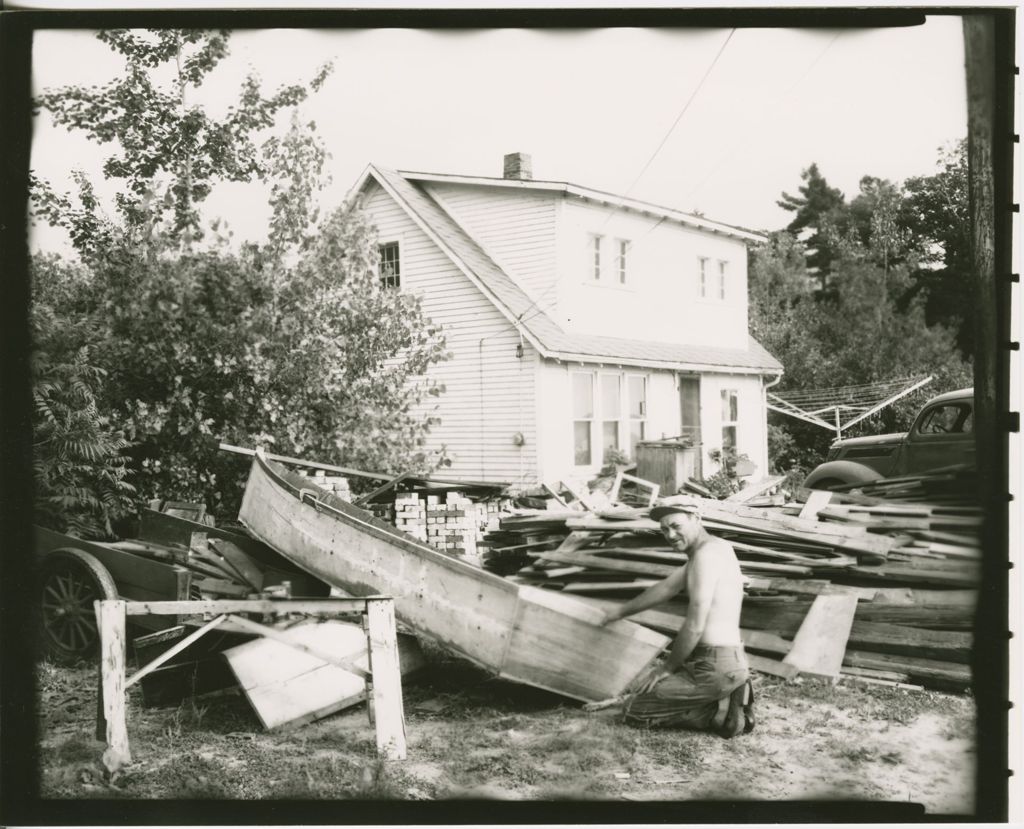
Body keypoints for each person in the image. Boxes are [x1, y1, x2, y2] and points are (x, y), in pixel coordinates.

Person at [600, 495, 754, 737]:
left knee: (633, 710)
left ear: (697, 519)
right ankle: (727, 690)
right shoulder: (713, 549)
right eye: (664, 530)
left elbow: (695, 625)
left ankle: (719, 711)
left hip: (715, 665)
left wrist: (667, 668)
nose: (670, 535)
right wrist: (618, 612)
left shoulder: (706, 557)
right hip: (721, 661)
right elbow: (665, 589)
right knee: (640, 691)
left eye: (676, 526)